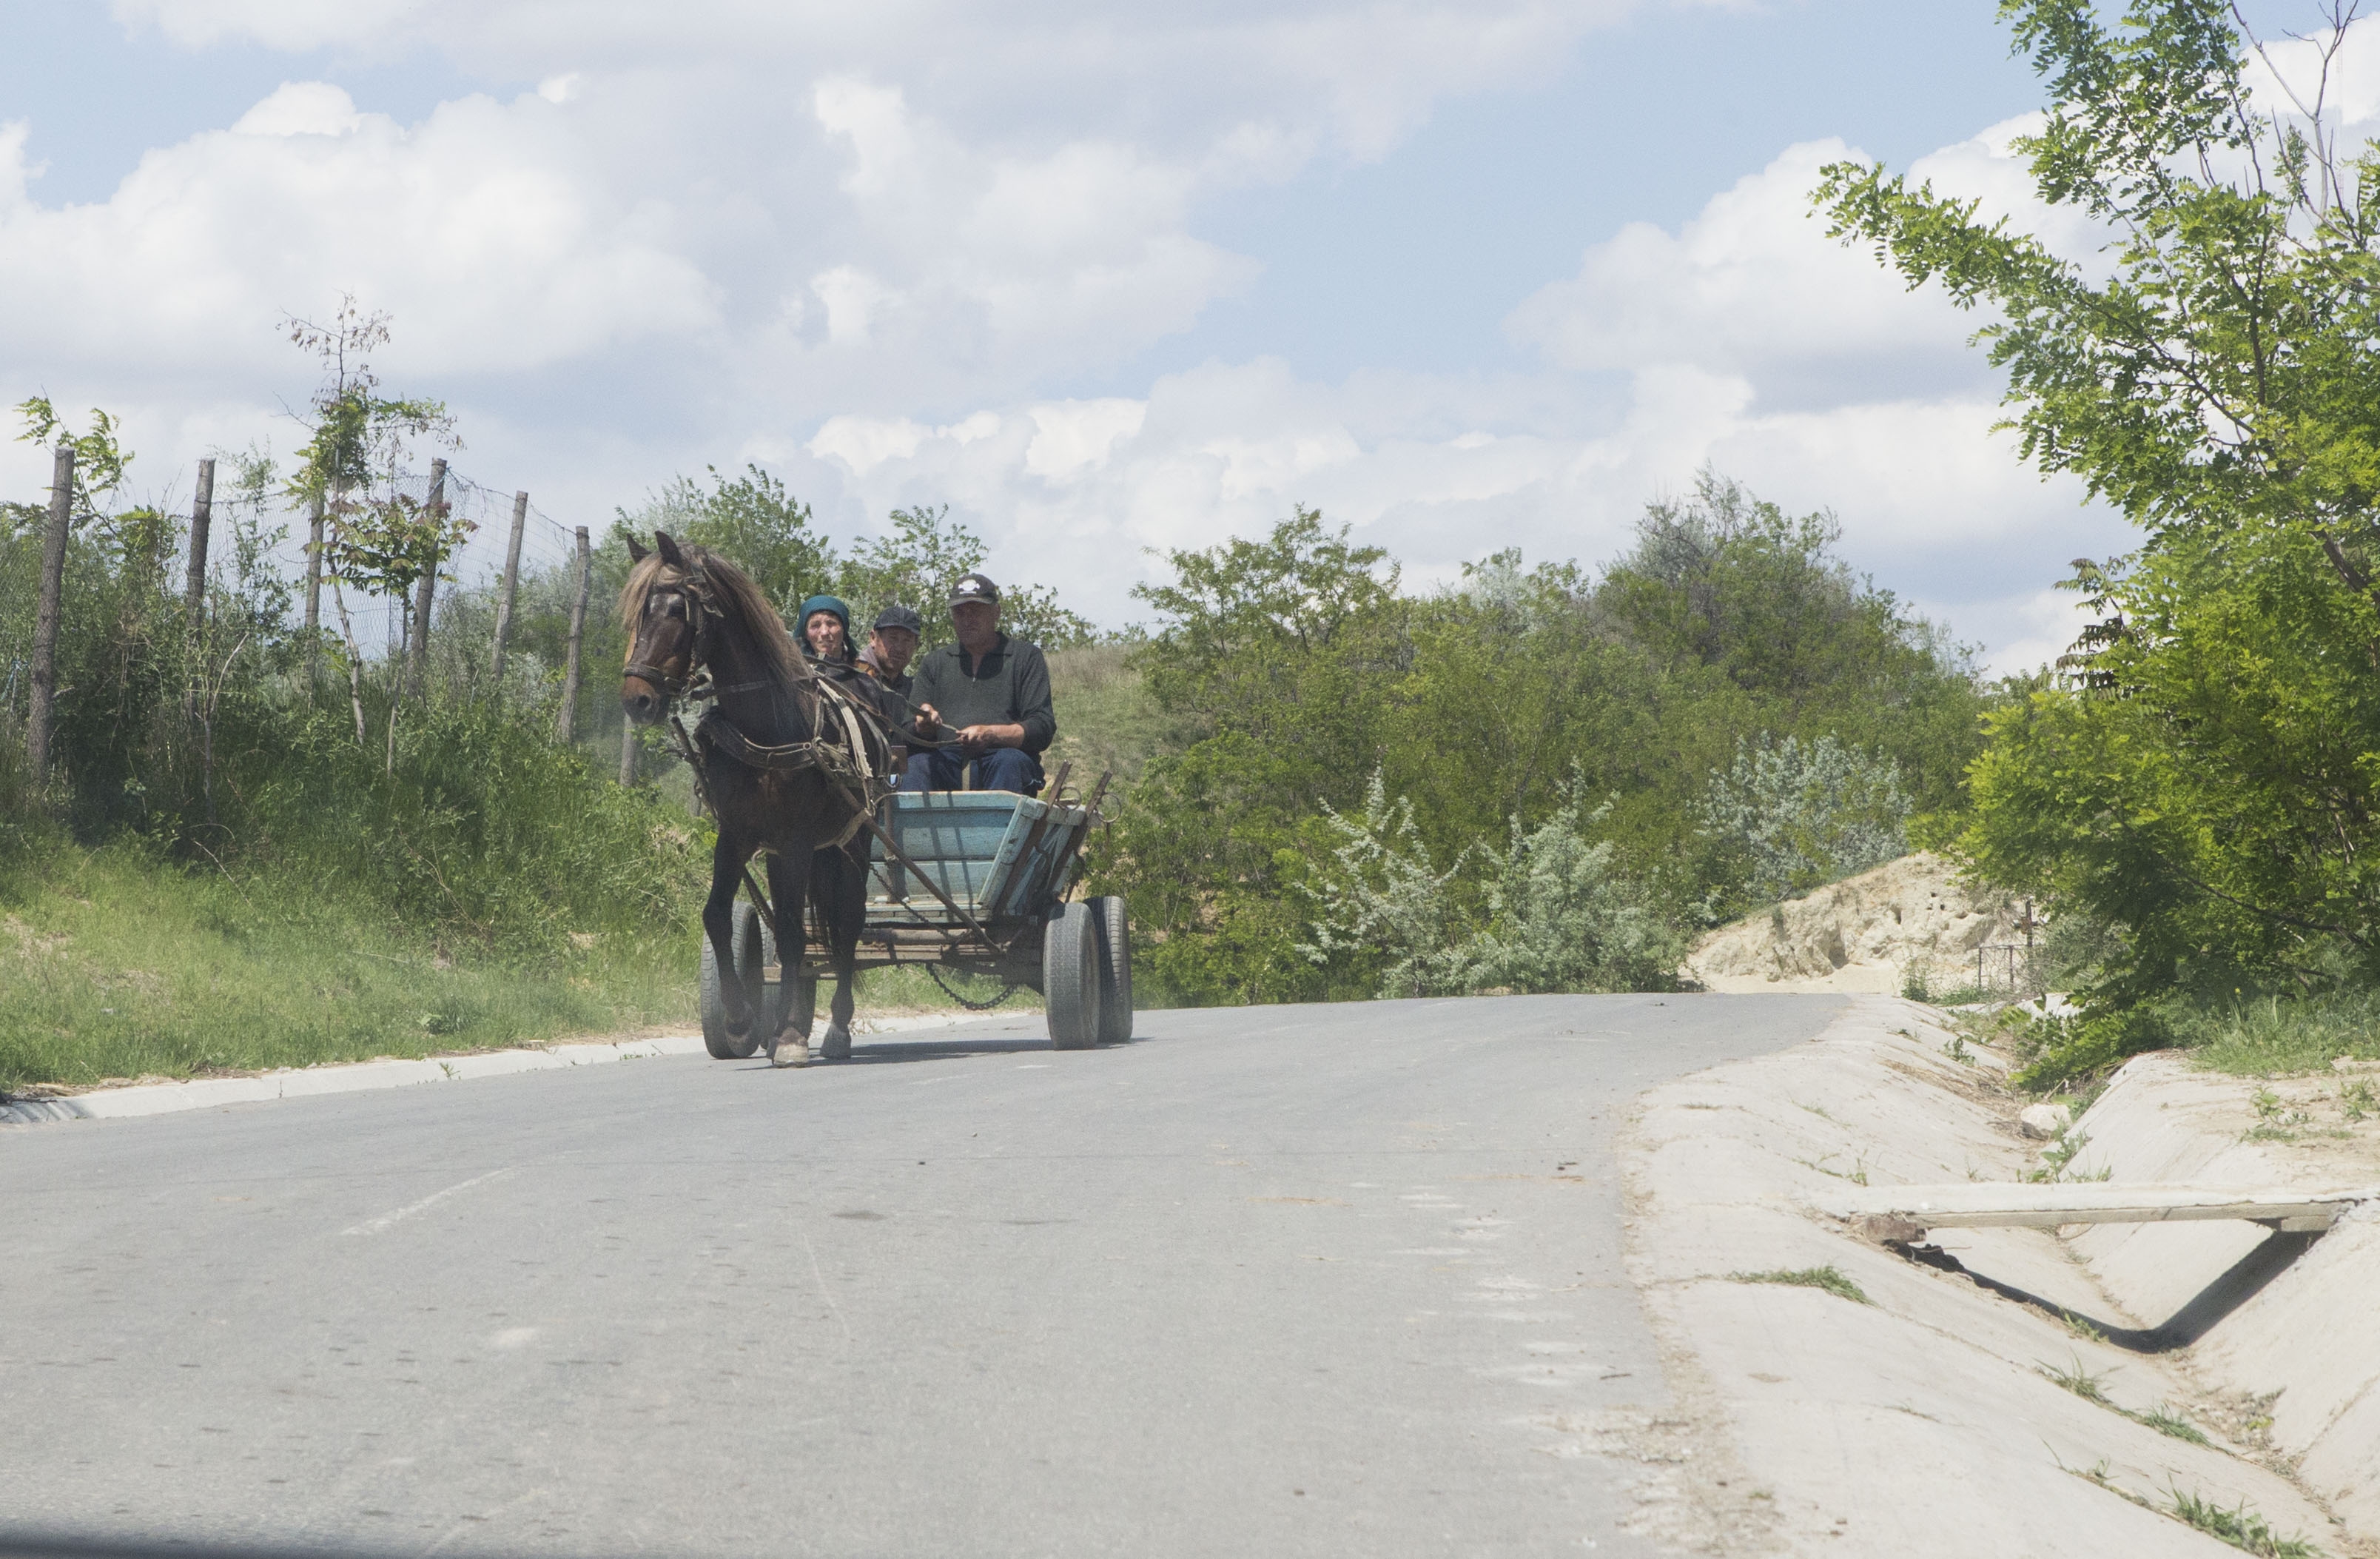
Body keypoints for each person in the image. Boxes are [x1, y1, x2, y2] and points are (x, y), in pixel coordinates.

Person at [899, 573, 1054, 794]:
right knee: (916, 766)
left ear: (996, 612)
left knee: (1009, 762)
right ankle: (915, 830)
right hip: (947, 760)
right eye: (960, 612)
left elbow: (1042, 727)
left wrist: (991, 734)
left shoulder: (1024, 657)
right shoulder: (935, 662)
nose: (967, 619)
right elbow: (906, 731)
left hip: (1002, 760)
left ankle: (999, 830)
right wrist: (922, 725)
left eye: (976, 610)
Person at [855, 603, 923, 700]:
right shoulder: (853, 678)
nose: (899, 648)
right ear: (873, 638)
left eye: (907, 640)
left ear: (915, 645)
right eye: (893, 638)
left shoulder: (912, 691)